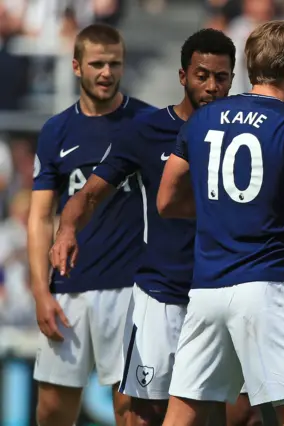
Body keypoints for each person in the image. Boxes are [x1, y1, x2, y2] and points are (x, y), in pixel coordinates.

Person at [48, 29, 263, 426]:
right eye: (202, 75)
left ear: (234, 78)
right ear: (183, 76)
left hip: (222, 291)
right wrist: (66, 230)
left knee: (233, 412)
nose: (212, 86)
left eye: (222, 77)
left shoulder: (248, 135)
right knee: (144, 411)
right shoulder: (147, 130)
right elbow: (91, 194)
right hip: (161, 293)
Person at [156, 20, 284, 426]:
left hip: (206, 290)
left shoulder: (201, 119)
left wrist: (222, 212)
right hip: (268, 287)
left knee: (181, 413)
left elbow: (166, 201)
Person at [28, 23, 154, 426]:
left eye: (114, 63)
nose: (106, 72)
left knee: (130, 409)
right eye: (97, 63)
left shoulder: (149, 124)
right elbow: (39, 216)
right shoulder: (56, 131)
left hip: (131, 288)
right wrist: (39, 291)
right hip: (69, 288)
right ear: (76, 66)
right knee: (52, 409)